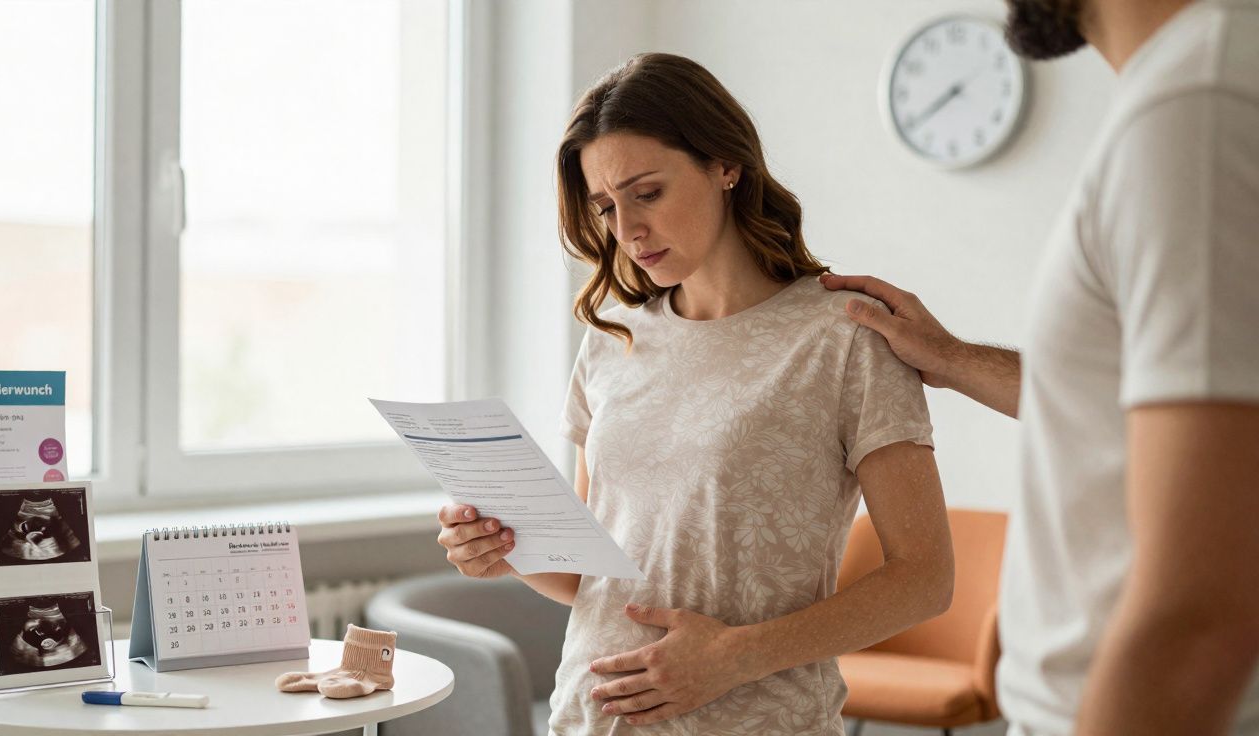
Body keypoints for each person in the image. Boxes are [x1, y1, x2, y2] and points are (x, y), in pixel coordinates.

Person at [436, 53, 954, 735]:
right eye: (606, 207)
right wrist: (510, 553)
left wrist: (734, 658)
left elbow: (925, 578)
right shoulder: (613, 338)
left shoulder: (846, 335)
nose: (626, 230)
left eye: (646, 192)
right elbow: (594, 575)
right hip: (587, 720)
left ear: (724, 165)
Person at [822, 0, 1259, 734]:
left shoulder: (1197, 107)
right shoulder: (1189, 93)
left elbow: (1201, 608)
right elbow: (1128, 406)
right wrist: (953, 359)